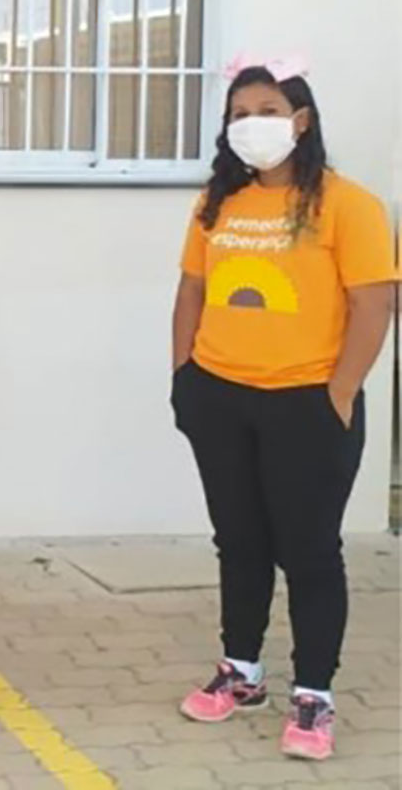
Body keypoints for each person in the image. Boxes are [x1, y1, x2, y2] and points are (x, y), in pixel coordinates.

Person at [171, 56, 395, 762]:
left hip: (307, 404)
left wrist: (340, 393)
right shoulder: (218, 201)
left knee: (309, 551)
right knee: (238, 542)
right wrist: (186, 376)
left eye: (266, 111)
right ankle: (241, 671)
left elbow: (375, 304)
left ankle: (315, 694)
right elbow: (191, 291)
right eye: (239, 113)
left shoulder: (348, 203)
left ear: (300, 120)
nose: (251, 125)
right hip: (221, 395)